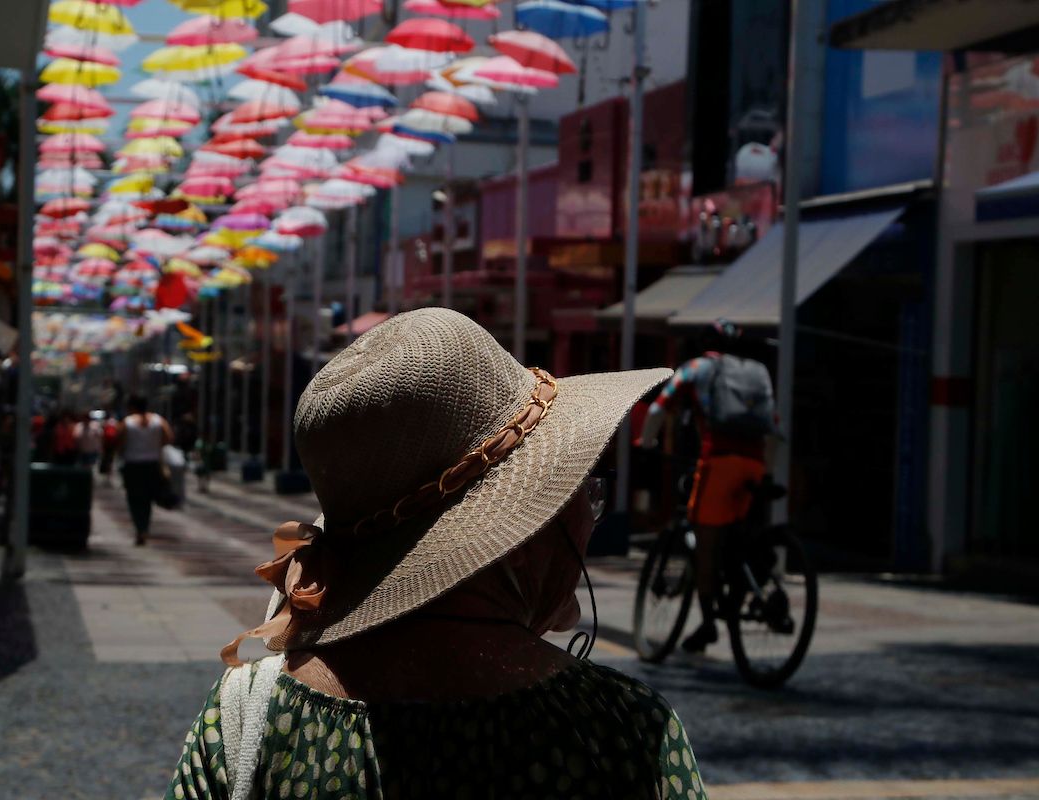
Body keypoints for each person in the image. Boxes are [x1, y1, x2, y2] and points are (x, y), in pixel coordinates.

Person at [165, 308, 706, 800]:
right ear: (516, 537)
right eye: (579, 489)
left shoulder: (245, 721)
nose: (590, 515)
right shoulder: (621, 733)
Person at [639, 318, 777, 654]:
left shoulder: (696, 368)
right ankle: (739, 592)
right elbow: (772, 424)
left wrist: (646, 440)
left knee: (706, 543)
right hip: (756, 462)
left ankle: (708, 624)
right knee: (738, 539)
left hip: (719, 462)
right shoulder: (754, 371)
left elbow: (660, 405)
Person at [117, 394, 172, 545]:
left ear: (132, 407)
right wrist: (154, 446)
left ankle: (140, 528)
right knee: (147, 498)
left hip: (133, 465)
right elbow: (168, 438)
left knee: (135, 498)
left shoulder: (127, 422)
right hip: (152, 464)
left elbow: (120, 442)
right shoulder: (158, 421)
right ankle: (145, 527)